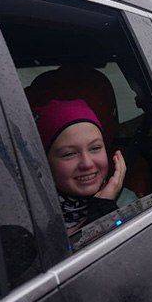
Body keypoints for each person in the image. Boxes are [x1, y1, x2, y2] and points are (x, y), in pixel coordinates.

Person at [33, 98, 131, 235]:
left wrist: (104, 206)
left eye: (95, 148)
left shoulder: (127, 203)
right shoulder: (29, 219)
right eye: (69, 154)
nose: (87, 163)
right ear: (44, 162)